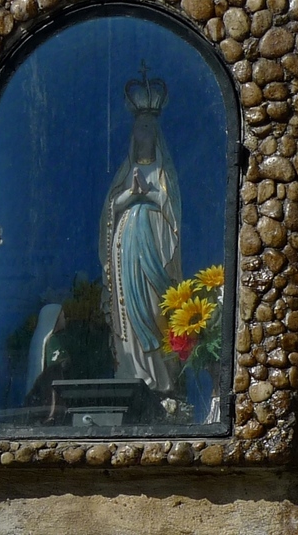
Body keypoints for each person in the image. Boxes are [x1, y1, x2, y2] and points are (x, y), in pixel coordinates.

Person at [99, 64, 181, 393]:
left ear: (156, 133)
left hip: (155, 245)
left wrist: (150, 194)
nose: (142, 132)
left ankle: (162, 381)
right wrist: (130, 196)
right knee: (129, 306)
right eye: (139, 127)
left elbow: (172, 209)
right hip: (127, 245)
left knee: (152, 303)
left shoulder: (163, 170)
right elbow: (111, 208)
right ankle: (133, 370)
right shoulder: (126, 170)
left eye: (148, 126)